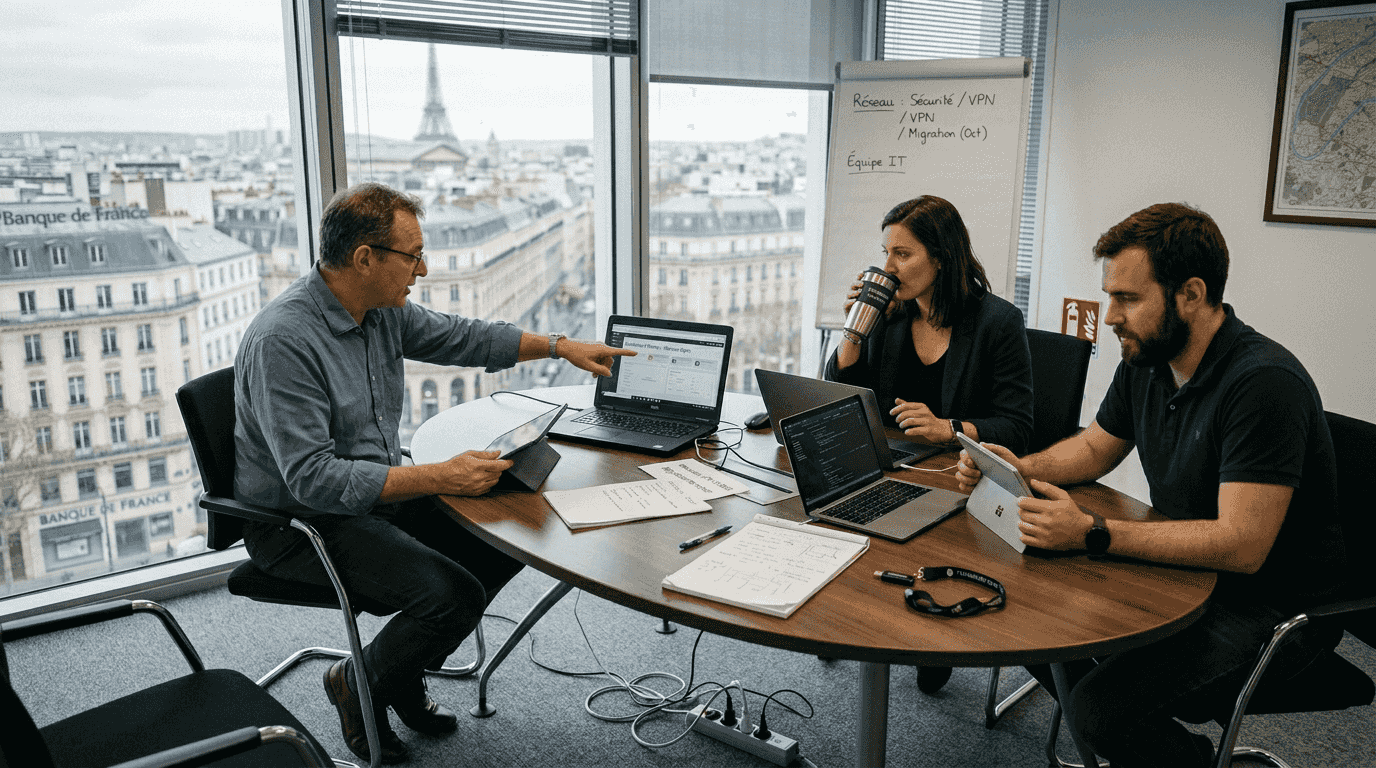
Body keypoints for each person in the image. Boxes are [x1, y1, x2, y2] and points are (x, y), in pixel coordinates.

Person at [233, 182, 632, 764]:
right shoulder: (284, 340)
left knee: (505, 530)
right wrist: (441, 475)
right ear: (365, 258)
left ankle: (399, 670)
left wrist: (558, 346)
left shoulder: (378, 309)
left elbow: (461, 336)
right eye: (412, 255)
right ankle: (359, 680)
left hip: (373, 494)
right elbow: (315, 481)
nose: (423, 267)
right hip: (301, 522)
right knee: (452, 595)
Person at [955, 202, 1346, 768]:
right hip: (1189, 576)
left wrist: (1091, 532)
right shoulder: (1147, 357)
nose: (1110, 315)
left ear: (1191, 293)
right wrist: (1017, 467)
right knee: (1029, 622)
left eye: (1128, 298)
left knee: (1099, 709)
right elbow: (1095, 447)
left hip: (1271, 608)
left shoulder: (1263, 383)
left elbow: (1242, 545)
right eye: (1110, 295)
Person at [825, 195, 1034, 694]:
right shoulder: (892, 317)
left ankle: (930, 627)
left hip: (964, 477)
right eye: (885, 253)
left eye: (903, 254)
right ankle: (848, 616)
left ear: (940, 257)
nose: (888, 267)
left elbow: (1019, 425)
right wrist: (858, 325)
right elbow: (845, 397)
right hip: (897, 466)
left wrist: (950, 426)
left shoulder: (996, 322)